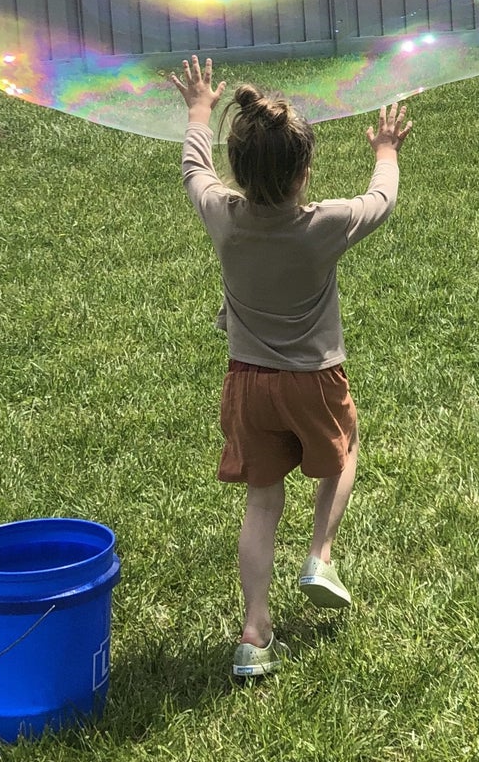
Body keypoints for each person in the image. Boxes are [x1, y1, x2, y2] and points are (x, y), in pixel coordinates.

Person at [172, 54, 412, 676]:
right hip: (314, 380)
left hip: (247, 385)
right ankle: (320, 556)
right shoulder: (324, 225)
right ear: (305, 171)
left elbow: (194, 167)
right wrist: (386, 148)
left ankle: (254, 634)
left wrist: (199, 110)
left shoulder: (224, 217)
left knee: (262, 500)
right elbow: (381, 199)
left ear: (238, 169)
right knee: (345, 449)